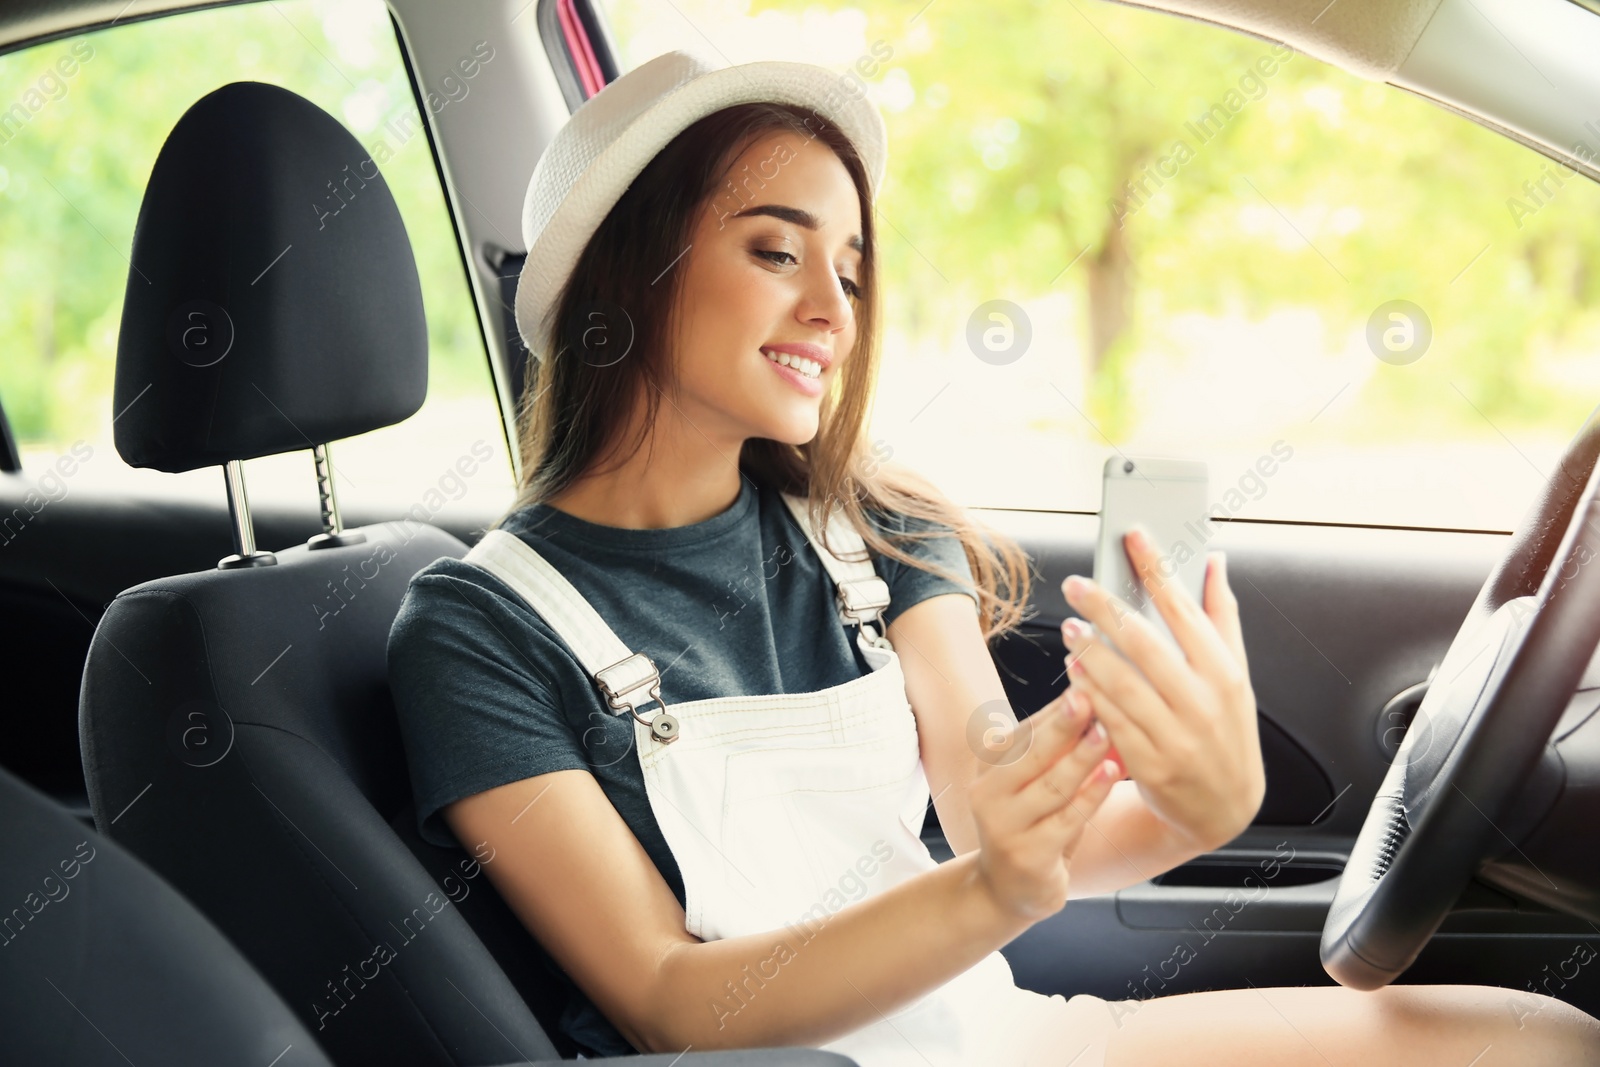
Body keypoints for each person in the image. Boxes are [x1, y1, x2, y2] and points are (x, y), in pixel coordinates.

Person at [385, 48, 1600, 1066]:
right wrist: (989, 891)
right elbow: (664, 995)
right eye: (775, 251)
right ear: (626, 278)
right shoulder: (478, 626)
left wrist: (1193, 804)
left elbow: (989, 804)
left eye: (851, 269)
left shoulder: (875, 530)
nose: (833, 309)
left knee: (1541, 1039)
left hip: (1001, 1033)